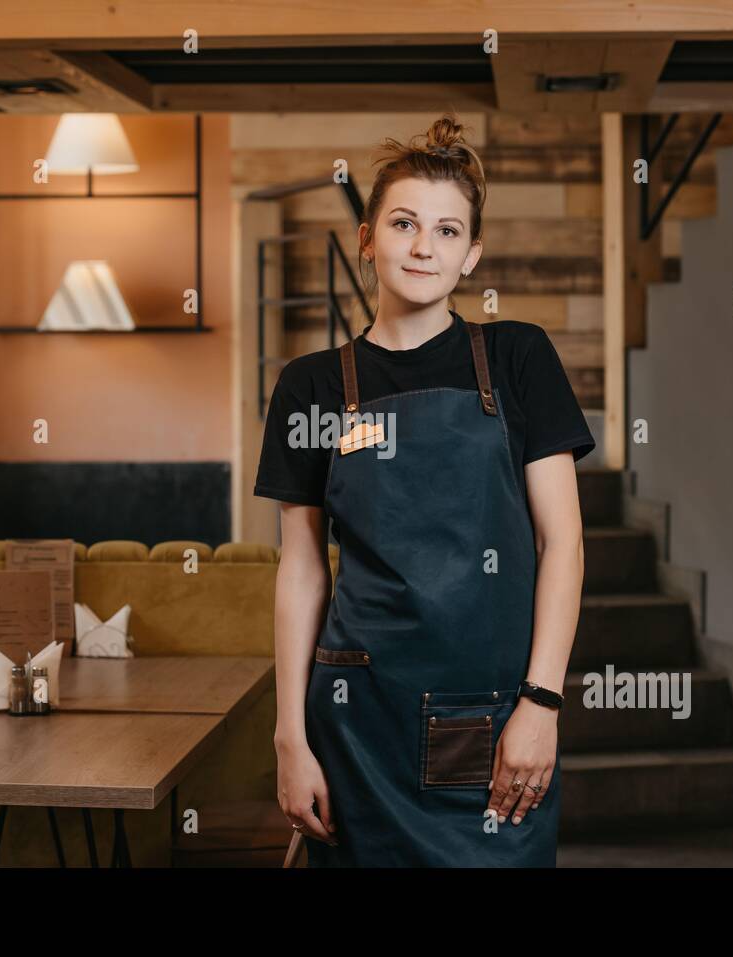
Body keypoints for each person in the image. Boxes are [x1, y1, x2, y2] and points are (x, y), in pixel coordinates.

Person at [254, 112, 595, 866]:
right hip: (355, 724)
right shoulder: (309, 387)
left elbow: (562, 542)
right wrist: (290, 736)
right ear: (367, 237)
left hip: (495, 716)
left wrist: (542, 702)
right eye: (404, 222)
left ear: (471, 254)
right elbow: (303, 568)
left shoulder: (517, 357)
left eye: (447, 231)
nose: (422, 245)